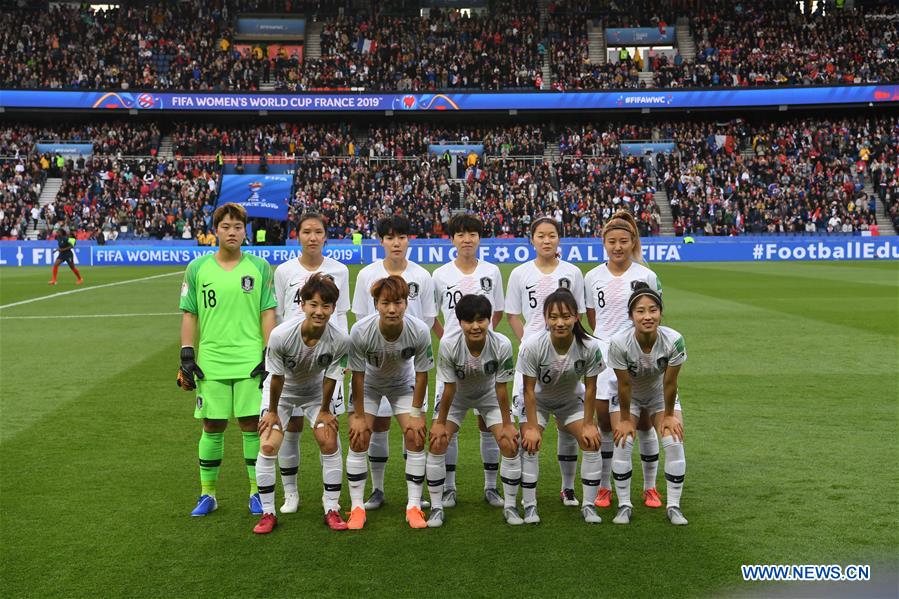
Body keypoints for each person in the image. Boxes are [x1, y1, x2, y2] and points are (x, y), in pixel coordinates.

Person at [177, 202, 277, 517]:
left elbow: (268, 312)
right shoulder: (197, 268)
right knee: (212, 424)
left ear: (245, 231)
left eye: (237, 227)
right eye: (225, 227)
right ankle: (207, 494)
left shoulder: (260, 267)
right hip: (212, 360)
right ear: (215, 231)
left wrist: (269, 353)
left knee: (251, 424)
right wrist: (186, 353)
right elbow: (190, 313)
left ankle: (256, 493)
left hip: (249, 359)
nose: (232, 232)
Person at [350, 216, 439, 511]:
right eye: (389, 237)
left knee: (413, 430)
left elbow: (426, 319)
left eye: (401, 236)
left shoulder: (422, 276)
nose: (396, 242)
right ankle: (377, 490)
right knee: (376, 427)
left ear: (408, 239)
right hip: (374, 367)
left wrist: (404, 345)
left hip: (406, 367)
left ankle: (414, 496)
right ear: (381, 241)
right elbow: (361, 317)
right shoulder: (367, 274)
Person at [252, 274, 350, 534]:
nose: (319, 311)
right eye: (314, 304)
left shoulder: (340, 339)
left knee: (329, 440)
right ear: (303, 304)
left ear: (333, 308)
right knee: (268, 444)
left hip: (316, 393)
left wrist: (325, 411)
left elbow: (331, 377)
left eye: (326, 306)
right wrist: (273, 413)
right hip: (281, 393)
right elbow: (276, 377)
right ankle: (268, 513)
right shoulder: (281, 335)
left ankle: (332, 507)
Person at [269, 213, 351, 513]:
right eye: (306, 232)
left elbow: (341, 314)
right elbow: (280, 314)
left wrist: (342, 357)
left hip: (327, 356)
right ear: (298, 236)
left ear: (325, 236)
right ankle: (291, 494)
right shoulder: (284, 271)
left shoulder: (339, 270)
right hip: (292, 357)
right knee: (291, 428)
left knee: (327, 429)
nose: (312, 237)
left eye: (318, 232)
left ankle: (331, 500)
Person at [584, 211, 663, 510]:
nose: (617, 247)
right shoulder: (592, 276)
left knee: (643, 423)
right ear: (604, 243)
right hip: (603, 356)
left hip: (637, 355)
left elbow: (652, 314)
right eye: (612, 241)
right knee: (606, 423)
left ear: (633, 242)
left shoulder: (646, 276)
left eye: (623, 241)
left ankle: (650, 487)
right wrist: (607, 341)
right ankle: (605, 486)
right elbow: (593, 318)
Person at [506, 216, 587, 507]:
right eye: (540, 235)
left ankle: (568, 488)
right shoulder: (520, 273)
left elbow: (578, 313)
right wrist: (527, 342)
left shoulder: (572, 272)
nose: (546, 240)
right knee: (527, 428)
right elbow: (512, 314)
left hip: (566, 355)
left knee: (568, 425)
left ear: (559, 238)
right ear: (532, 240)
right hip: (531, 360)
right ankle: (528, 491)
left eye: (551, 235)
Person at [345, 275, 434, 530]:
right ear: (376, 304)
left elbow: (422, 374)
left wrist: (416, 414)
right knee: (359, 436)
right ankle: (357, 508)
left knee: (415, 436)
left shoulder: (419, 330)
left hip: (402, 385)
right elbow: (357, 376)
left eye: (398, 302)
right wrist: (359, 417)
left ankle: (413, 506)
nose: (392, 309)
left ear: (406, 303)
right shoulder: (360, 330)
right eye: (385, 303)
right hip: (369, 385)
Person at [431, 214, 505, 508]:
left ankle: (491, 487)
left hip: (485, 359)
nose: (467, 240)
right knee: (447, 426)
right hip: (452, 361)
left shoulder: (492, 272)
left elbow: (498, 311)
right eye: (461, 234)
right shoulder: (440, 275)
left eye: (472, 234)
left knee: (488, 424)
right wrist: (448, 341)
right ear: (452, 239)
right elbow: (432, 315)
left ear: (479, 238)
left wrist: (484, 338)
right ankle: (449, 488)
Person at [427, 295, 519, 527]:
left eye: (481, 320)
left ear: (489, 320)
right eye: (469, 321)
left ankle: (506, 502)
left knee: (509, 443)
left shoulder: (502, 344)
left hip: (489, 394)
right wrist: (440, 423)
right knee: (438, 441)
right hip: (456, 396)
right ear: (460, 322)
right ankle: (439, 504)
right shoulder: (448, 344)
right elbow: (448, 388)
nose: (475, 326)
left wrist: (508, 424)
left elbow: (501, 388)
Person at [517, 288, 605, 524]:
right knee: (530, 443)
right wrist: (532, 427)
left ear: (576, 317)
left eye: (566, 316)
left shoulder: (590, 347)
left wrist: (588, 424)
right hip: (538, 401)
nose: (559, 323)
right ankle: (530, 505)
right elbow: (528, 390)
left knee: (591, 442)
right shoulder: (532, 345)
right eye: (553, 317)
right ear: (545, 318)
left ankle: (586, 504)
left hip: (570, 401)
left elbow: (591, 388)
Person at [608, 282, 688, 526]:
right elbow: (623, 385)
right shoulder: (619, 342)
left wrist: (669, 415)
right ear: (631, 315)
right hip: (628, 396)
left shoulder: (674, 340)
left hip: (659, 395)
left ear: (661, 313)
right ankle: (624, 505)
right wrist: (624, 419)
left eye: (653, 310)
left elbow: (670, 383)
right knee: (623, 440)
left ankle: (674, 506)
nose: (647, 316)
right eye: (640, 311)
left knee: (673, 440)